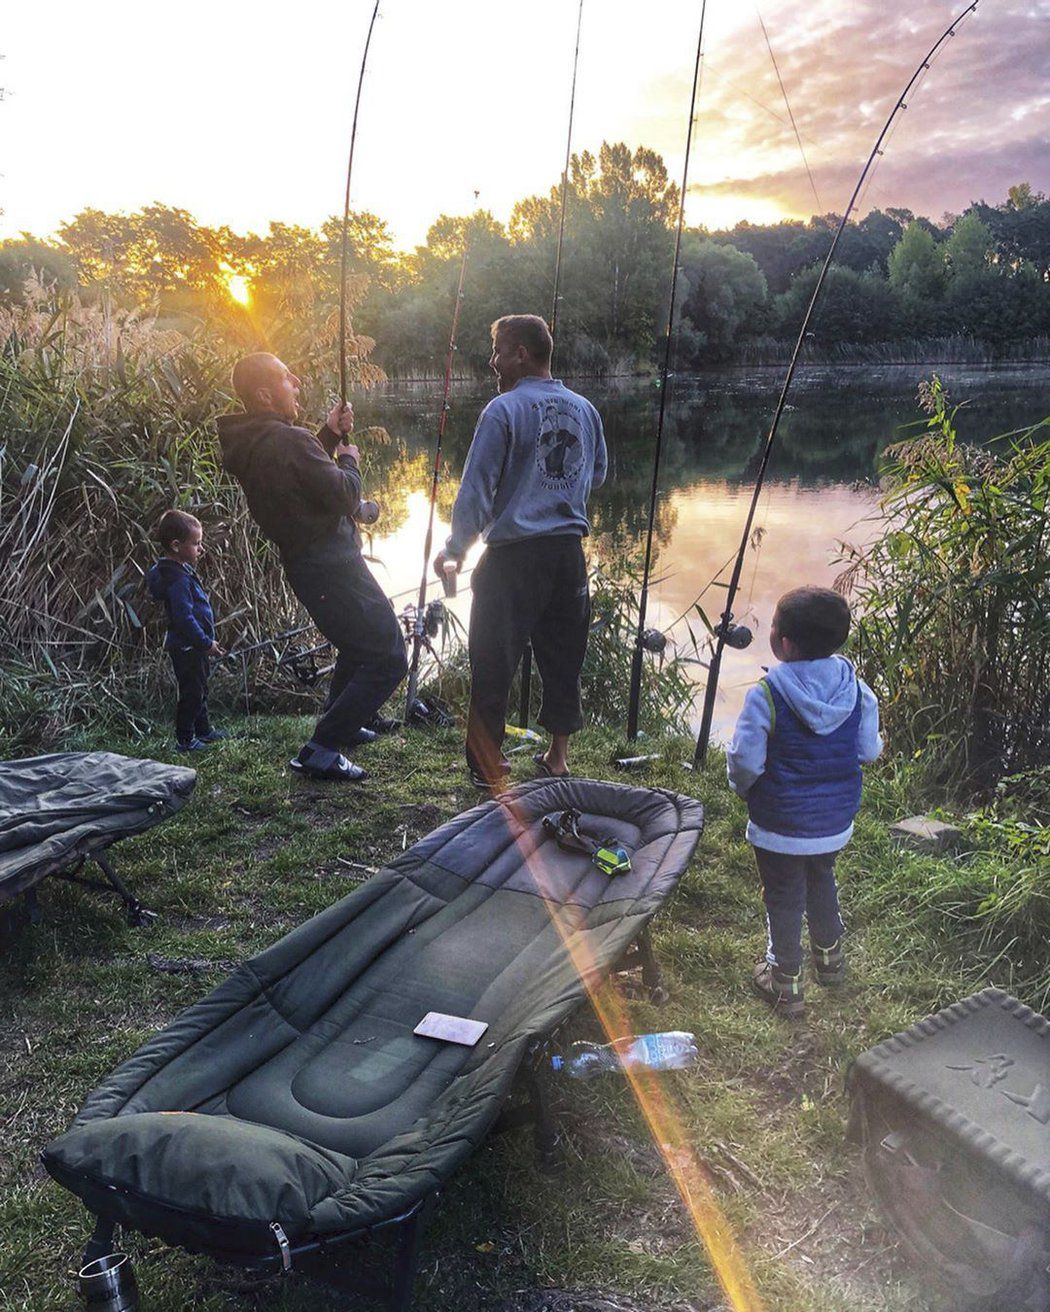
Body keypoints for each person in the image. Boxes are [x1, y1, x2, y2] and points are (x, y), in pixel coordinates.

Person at [434, 315, 607, 790]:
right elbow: (597, 477)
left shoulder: (502, 410)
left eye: (498, 352)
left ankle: (489, 766)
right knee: (564, 655)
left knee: (492, 658)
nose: (493, 363)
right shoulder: (586, 409)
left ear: (520, 353)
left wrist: (455, 548)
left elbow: (477, 490)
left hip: (513, 556)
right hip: (568, 554)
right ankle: (557, 755)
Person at [217, 353, 406, 782]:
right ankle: (321, 747)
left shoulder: (257, 441)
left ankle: (344, 724)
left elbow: (297, 471)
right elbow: (341, 495)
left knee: (358, 649)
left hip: (309, 567)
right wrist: (349, 458)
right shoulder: (286, 440)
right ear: (265, 393)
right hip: (335, 565)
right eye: (288, 379)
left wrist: (325, 432)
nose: (297, 382)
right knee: (389, 656)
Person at [726, 586, 883, 1018]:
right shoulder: (858, 691)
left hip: (780, 826)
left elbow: (745, 761)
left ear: (784, 643)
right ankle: (831, 964)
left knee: (783, 896)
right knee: (821, 881)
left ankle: (785, 979)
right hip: (833, 824)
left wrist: (741, 787)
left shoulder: (767, 695)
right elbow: (868, 750)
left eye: (773, 626)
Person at [147, 509, 227, 752]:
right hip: (188, 647)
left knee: (200, 688)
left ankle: (203, 730)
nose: (201, 549)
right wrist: (205, 643)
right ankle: (185, 740)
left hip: (192, 646)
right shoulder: (178, 580)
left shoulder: (177, 572)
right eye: (196, 544)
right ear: (175, 546)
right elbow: (184, 618)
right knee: (192, 693)